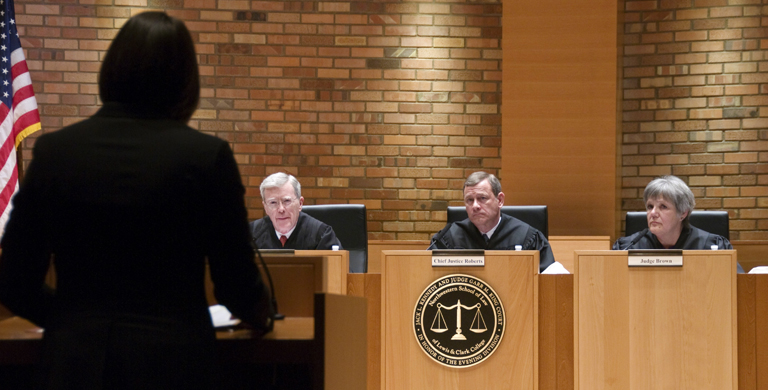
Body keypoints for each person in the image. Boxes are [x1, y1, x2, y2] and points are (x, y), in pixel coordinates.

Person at [0, 12, 272, 389]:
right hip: (176, 365)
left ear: (111, 69)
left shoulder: (55, 153)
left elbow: (14, 281)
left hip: (75, 365)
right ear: (185, 81)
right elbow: (235, 283)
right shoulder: (206, 157)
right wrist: (263, 314)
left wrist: (72, 322)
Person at [428, 171, 562, 273]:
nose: (475, 206)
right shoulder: (448, 238)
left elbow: (550, 278)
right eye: (470, 200)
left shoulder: (527, 236)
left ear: (500, 200)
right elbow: (427, 274)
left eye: (482, 198)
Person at [612, 175, 744, 273]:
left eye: (663, 206)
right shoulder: (628, 248)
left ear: (683, 213)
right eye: (650, 206)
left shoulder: (712, 246)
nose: (653, 213)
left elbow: (738, 284)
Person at [250, 172, 342, 250]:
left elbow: (338, 265)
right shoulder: (251, 234)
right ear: (265, 207)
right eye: (273, 202)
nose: (281, 209)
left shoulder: (322, 235)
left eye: (287, 201)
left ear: (300, 203)